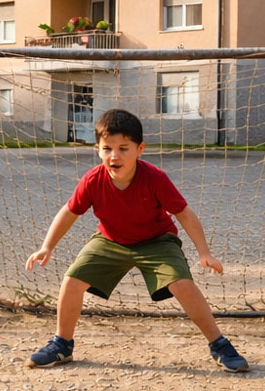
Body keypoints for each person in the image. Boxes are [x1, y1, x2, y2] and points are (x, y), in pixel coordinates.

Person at [23, 108, 248, 373]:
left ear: (140, 149)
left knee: (182, 284)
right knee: (72, 280)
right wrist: (47, 246)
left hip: (157, 241)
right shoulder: (93, 180)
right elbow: (70, 211)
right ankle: (62, 344)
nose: (114, 156)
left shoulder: (155, 179)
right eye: (107, 148)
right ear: (97, 149)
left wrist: (204, 252)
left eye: (123, 148)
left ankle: (219, 344)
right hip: (110, 241)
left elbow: (184, 214)